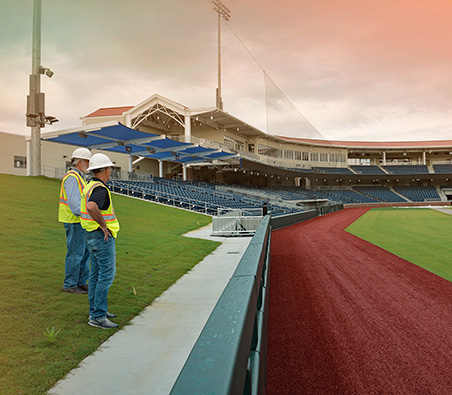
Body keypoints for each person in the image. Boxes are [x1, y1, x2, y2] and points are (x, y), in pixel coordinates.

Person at [80, 153, 120, 329]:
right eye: (109, 168)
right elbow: (91, 206)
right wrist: (104, 226)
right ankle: (98, 316)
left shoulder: (90, 186)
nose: (110, 171)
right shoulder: (100, 189)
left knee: (95, 276)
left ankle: (96, 311)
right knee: (106, 275)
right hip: (101, 237)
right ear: (105, 170)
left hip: (90, 236)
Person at [58, 147, 92, 294]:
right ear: (79, 162)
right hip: (74, 220)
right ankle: (70, 284)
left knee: (84, 252)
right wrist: (85, 214)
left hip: (79, 221)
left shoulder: (79, 177)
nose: (88, 165)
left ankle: (81, 281)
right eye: (87, 162)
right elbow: (74, 204)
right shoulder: (72, 177)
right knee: (75, 253)